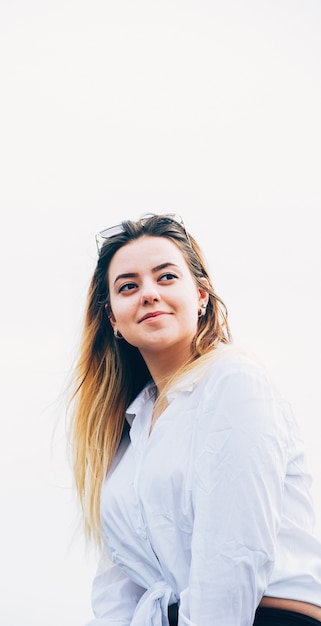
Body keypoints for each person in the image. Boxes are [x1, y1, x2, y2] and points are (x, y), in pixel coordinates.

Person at [67, 213, 321, 626]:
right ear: (113, 318)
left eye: (166, 277)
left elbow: (233, 557)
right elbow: (118, 587)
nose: (148, 293)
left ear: (202, 295)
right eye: (128, 286)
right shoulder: (128, 433)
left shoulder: (233, 382)